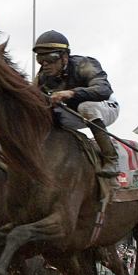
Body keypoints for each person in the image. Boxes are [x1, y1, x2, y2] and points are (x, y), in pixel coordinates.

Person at [33, 30, 120, 177]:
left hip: (105, 107)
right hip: (74, 113)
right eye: (40, 59)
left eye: (50, 58)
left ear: (65, 57)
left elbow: (103, 89)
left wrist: (71, 93)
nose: (45, 64)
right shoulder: (42, 77)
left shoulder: (84, 64)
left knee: (86, 107)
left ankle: (111, 159)